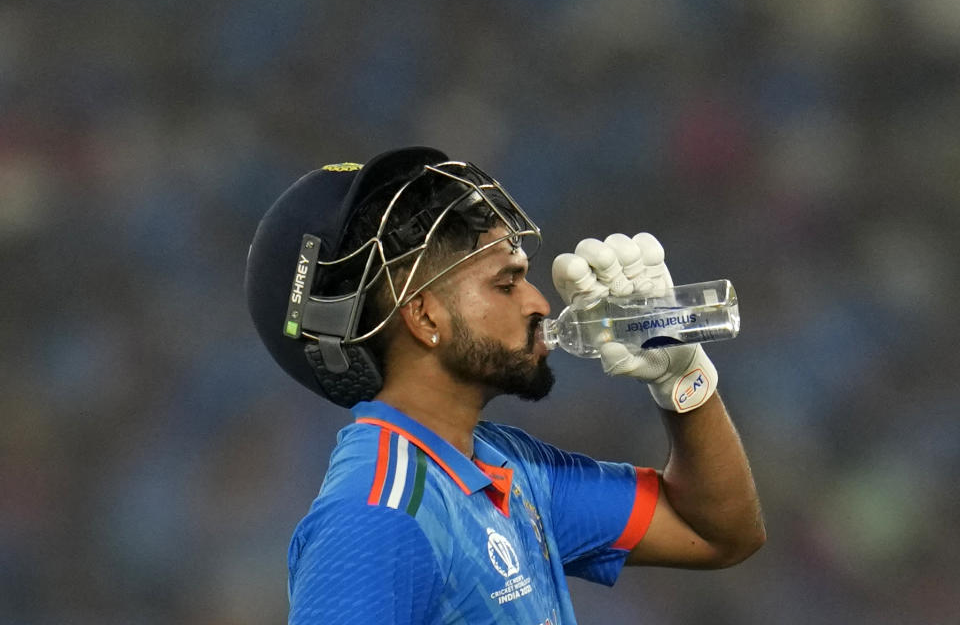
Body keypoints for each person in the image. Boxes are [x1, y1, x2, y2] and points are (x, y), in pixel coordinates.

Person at [244, 147, 765, 624]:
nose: (539, 302)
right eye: (506, 282)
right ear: (425, 318)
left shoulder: (510, 466)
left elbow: (719, 533)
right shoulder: (379, 516)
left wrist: (682, 380)